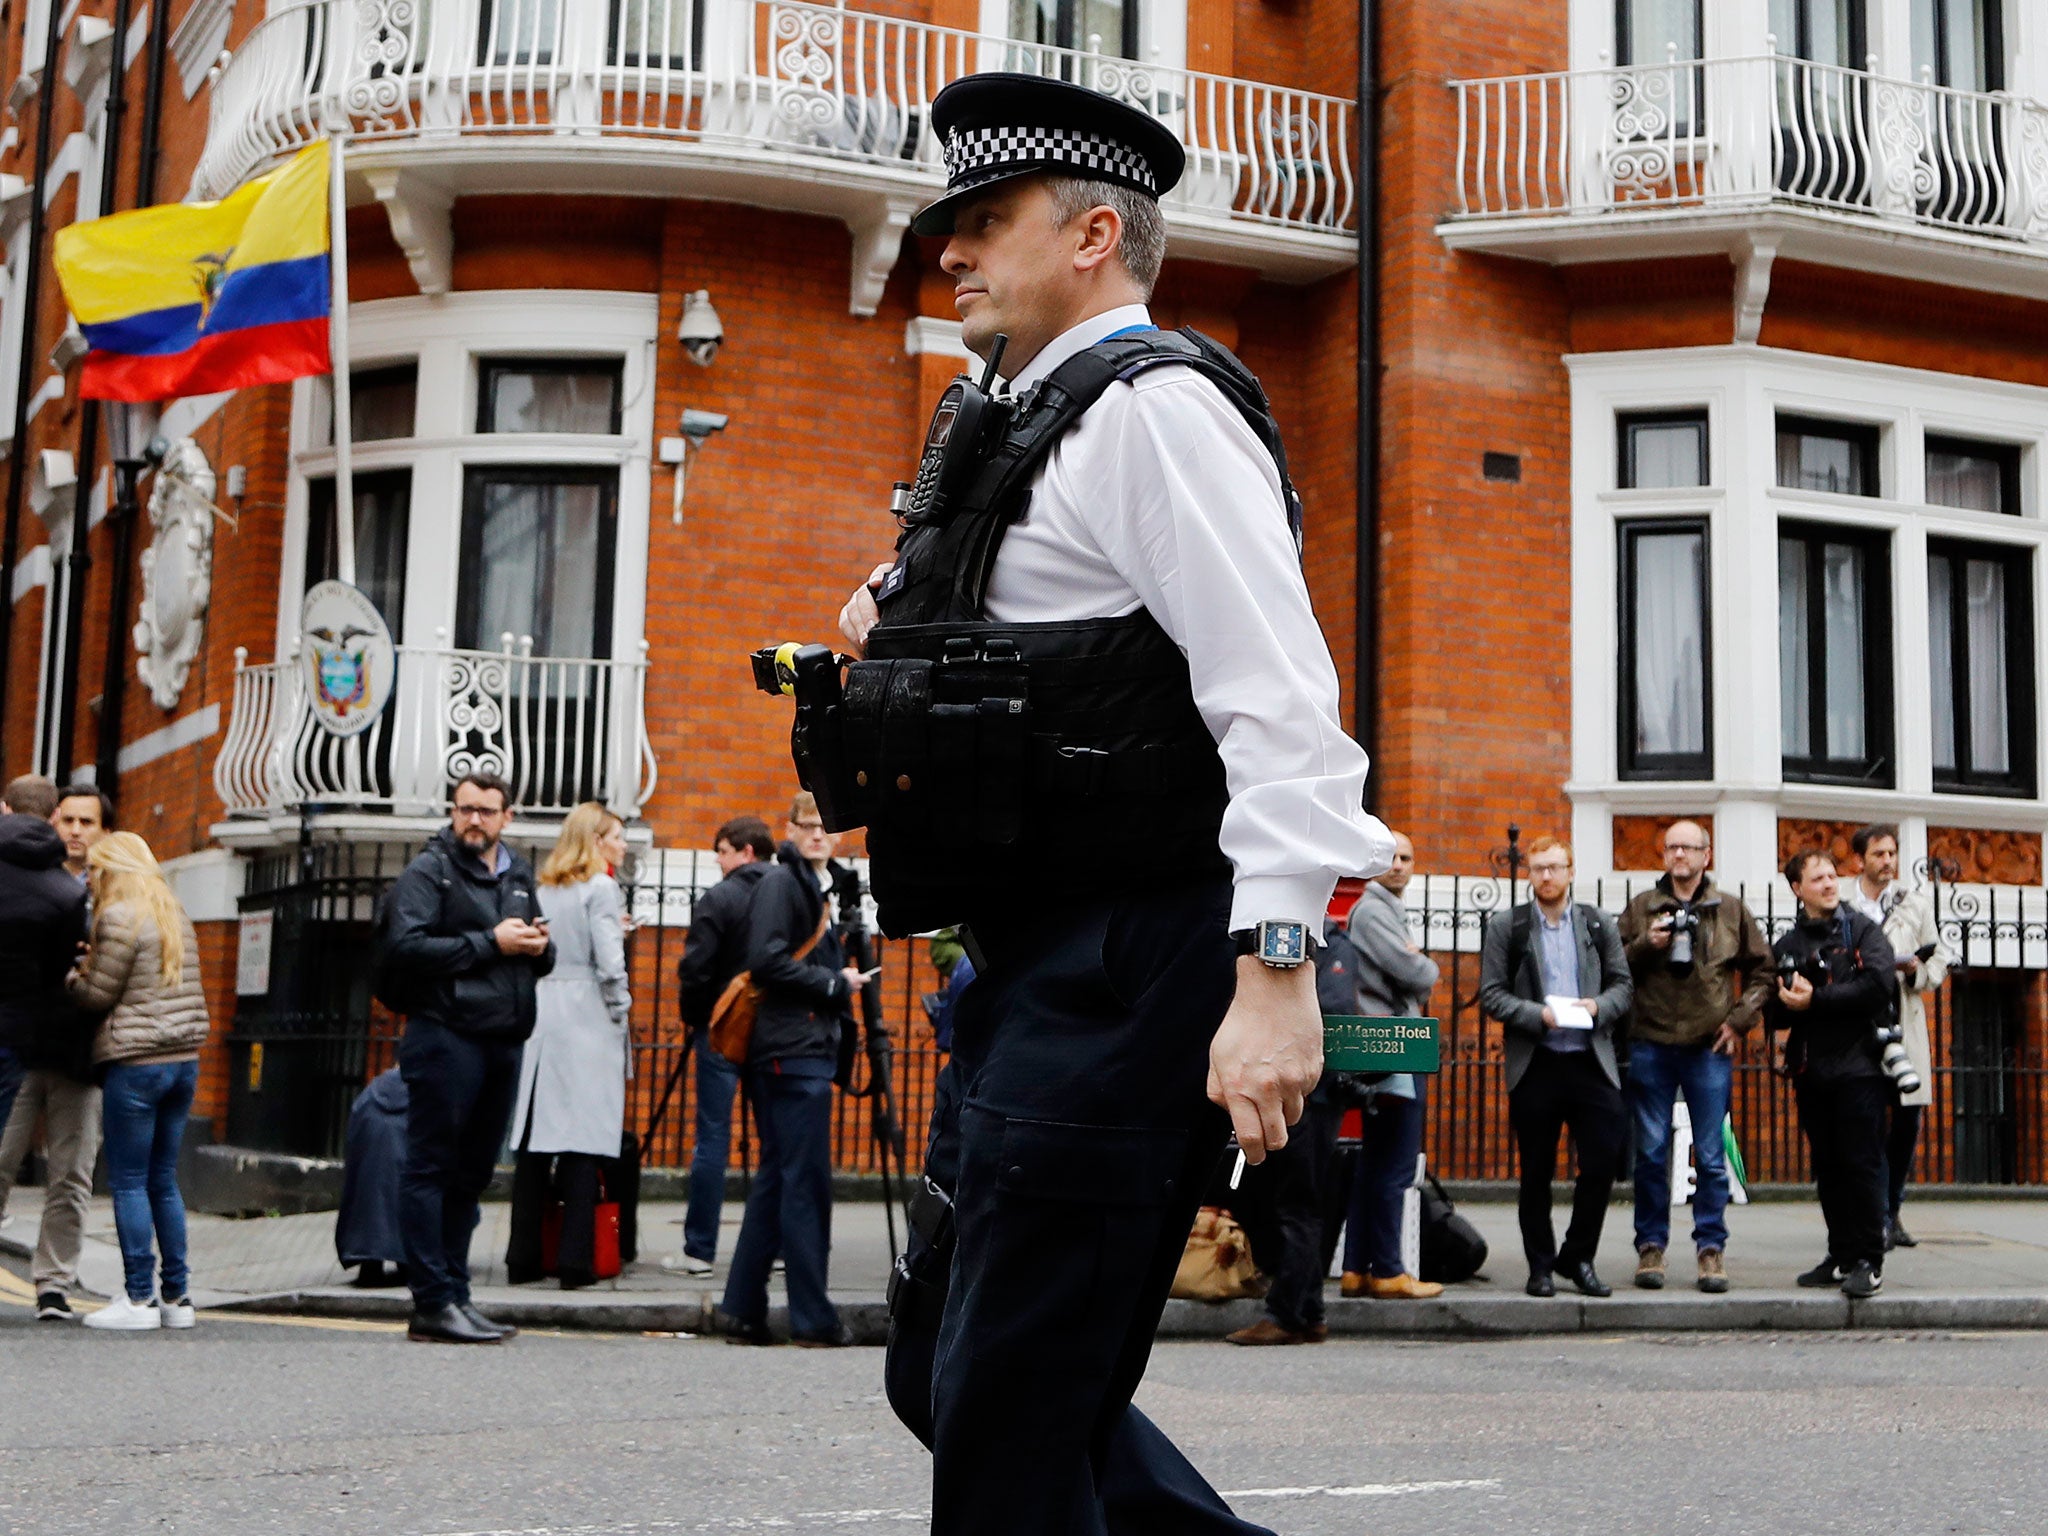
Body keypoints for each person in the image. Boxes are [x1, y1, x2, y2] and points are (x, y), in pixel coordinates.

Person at [835, 74, 1391, 1533]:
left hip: (1130, 959)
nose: (947, 246)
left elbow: (1280, 703)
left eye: (984, 218)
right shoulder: (1011, 420)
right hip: (1029, 962)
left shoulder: (1158, 412)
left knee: (1010, 1426)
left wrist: (1277, 976)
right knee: (947, 1380)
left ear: (1093, 236)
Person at [383, 770, 555, 1344]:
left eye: (486, 810)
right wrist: (492, 943)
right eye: (464, 809)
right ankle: (431, 1301)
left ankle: (456, 1294)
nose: (473, 820)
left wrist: (539, 947)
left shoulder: (518, 874)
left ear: (508, 816)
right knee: (430, 1168)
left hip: (503, 1040)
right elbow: (405, 948)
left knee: (472, 1173)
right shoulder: (429, 872)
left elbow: (534, 958)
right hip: (445, 1036)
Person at [716, 793, 864, 1347]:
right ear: (791, 829)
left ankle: (742, 1308)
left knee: (780, 1178)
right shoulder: (783, 883)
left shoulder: (825, 884)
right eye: (808, 825)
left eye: (828, 826)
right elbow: (766, 960)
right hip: (789, 1049)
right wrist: (834, 984)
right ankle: (811, 1316)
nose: (819, 834)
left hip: (801, 1045)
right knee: (805, 1185)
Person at [1617, 819, 1772, 1294]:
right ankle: (1651, 1247)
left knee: (1709, 1155)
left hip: (1709, 1046)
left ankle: (1710, 1249)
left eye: (1689, 848)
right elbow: (1611, 967)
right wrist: (1649, 943)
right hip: (1651, 1042)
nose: (1680, 855)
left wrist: (1738, 1021)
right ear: (1664, 856)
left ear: (1708, 855)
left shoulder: (1729, 910)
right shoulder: (1644, 907)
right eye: (1672, 848)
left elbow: (1764, 971)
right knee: (1650, 1153)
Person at [66, 833, 209, 1331]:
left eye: (98, 871)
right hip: (184, 1062)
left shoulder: (119, 916)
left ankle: (138, 1298)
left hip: (137, 1064)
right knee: (163, 1180)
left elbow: (95, 996)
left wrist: (73, 976)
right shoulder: (174, 912)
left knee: (128, 1181)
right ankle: (178, 1296)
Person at [1479, 837, 1633, 1298]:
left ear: (1570, 871)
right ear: (1529, 874)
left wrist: (1596, 1006)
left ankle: (1578, 1257)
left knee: (1603, 1161)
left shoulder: (1598, 923)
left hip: (1590, 1060)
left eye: (1555, 867)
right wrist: (1536, 1015)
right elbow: (1492, 993)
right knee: (1536, 1172)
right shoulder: (1510, 925)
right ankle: (1540, 1266)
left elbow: (1623, 986)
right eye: (1538, 868)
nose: (1547, 876)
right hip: (1537, 1063)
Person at [506, 803, 633, 1290]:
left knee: (537, 1140)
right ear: (596, 840)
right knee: (584, 1138)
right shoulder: (600, 887)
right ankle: (576, 1261)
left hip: (546, 1009)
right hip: (586, 1015)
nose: (621, 845)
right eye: (616, 837)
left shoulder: (546, 887)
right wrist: (620, 1005)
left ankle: (523, 1257)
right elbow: (608, 962)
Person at [1769, 849, 1897, 1299]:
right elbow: (1773, 1009)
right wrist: (1784, 997)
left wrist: (1817, 999)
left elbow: (1880, 984)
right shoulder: (1787, 945)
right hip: (1811, 1069)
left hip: (1859, 1067)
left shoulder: (1862, 930)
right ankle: (1841, 1253)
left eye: (1832, 876)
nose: (1828, 884)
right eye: (1817, 878)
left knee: (1860, 1164)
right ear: (1796, 888)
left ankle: (1868, 1259)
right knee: (1828, 1167)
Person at [0, 774, 93, 1321]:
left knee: (71, 1170)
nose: (77, 830)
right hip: (24, 1038)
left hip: (73, 1046)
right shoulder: (50, 885)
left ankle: (54, 1283)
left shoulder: (110, 884)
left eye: (89, 822)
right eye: (69, 819)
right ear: (50, 820)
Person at [667, 814, 777, 1275]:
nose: (717, 859)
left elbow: (695, 969)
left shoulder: (721, 897)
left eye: (723, 850)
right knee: (775, 1142)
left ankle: (700, 1250)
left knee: (713, 1137)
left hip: (721, 1028)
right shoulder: (790, 895)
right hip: (775, 1031)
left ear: (745, 852)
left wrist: (697, 1019)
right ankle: (776, 1249)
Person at [1340, 831, 1443, 1300]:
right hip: (1393, 1049)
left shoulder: (1382, 909)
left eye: (1407, 856)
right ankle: (1387, 1269)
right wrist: (1421, 966)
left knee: (1373, 1162)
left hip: (1388, 1047)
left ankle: (1356, 1269)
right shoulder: (1375, 909)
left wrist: (1414, 965)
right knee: (1395, 1166)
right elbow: (1419, 974)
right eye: (1390, 857)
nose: (1399, 864)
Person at [1839, 824, 1945, 1250]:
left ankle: (1891, 1210)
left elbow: (1937, 962)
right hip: (1857, 1028)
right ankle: (1874, 1216)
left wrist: (1914, 971)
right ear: (1860, 859)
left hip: (1903, 1021)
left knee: (1904, 1125)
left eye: (1892, 853)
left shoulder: (1915, 904)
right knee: (1866, 1126)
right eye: (1879, 853)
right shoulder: (1843, 904)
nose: (1887, 861)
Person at [335, 1067, 409, 1287]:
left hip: (368, 1173)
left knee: (371, 1205)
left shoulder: (370, 1093)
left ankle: (370, 1266)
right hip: (402, 1174)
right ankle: (405, 1265)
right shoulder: (423, 1094)